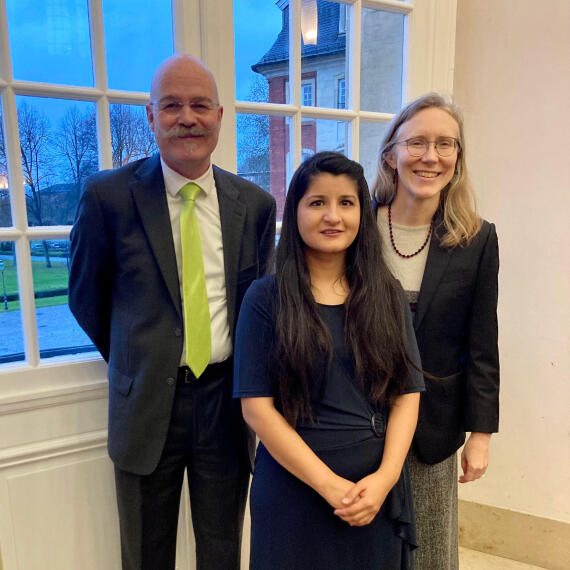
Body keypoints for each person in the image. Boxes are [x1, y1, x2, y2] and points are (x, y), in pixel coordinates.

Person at [69, 54, 276, 570]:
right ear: (151, 116)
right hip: (145, 406)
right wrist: (140, 358)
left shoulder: (254, 205)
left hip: (226, 404)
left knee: (222, 550)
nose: (188, 118)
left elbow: (257, 307)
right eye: (172, 106)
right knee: (145, 554)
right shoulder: (108, 198)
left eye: (200, 105)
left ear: (220, 116)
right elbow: (85, 298)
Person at [233, 151, 425, 569]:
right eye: (317, 202)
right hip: (293, 494)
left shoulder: (387, 294)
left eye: (346, 203)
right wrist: (329, 486)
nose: (332, 216)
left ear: (361, 214)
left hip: (374, 493)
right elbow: (257, 409)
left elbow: (407, 395)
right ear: (296, 211)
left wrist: (385, 478)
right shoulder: (265, 298)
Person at [372, 93, 500, 570]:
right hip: (361, 420)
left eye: (445, 144)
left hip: (434, 427)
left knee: (428, 553)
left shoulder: (477, 239)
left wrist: (481, 433)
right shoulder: (357, 228)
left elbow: (482, 345)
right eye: (417, 143)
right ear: (391, 154)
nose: (431, 156)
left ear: (457, 158)